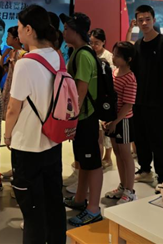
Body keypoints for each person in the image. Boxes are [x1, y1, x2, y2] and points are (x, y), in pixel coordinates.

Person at [4, 4, 66, 244]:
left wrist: (8, 135)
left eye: (19, 27)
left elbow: (13, 108)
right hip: (53, 139)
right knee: (54, 203)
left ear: (29, 29)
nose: (18, 31)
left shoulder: (25, 63)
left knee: (32, 211)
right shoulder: (56, 55)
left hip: (27, 145)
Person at [127, 6, 163, 194]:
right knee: (140, 137)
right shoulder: (138, 45)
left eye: (147, 19)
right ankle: (145, 169)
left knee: (158, 138)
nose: (144, 23)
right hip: (139, 99)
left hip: (158, 99)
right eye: (141, 20)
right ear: (137, 22)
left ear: (154, 20)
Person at [61, 12, 104, 226]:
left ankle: (93, 209)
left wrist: (71, 118)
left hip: (86, 117)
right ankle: (80, 199)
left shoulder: (83, 55)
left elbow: (81, 90)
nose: (63, 32)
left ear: (76, 31)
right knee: (84, 161)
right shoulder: (79, 52)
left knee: (92, 162)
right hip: (83, 116)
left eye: (67, 29)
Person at [104, 41, 137, 204]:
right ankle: (123, 185)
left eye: (117, 56)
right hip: (113, 121)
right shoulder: (114, 72)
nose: (114, 58)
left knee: (125, 155)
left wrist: (115, 121)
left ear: (128, 59)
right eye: (114, 54)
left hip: (123, 121)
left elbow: (128, 104)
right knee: (117, 153)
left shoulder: (130, 78)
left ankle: (130, 191)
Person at [89, 28, 115, 170]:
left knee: (106, 128)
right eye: (91, 42)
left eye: (97, 43)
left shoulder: (108, 56)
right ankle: (98, 157)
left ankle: (108, 157)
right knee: (97, 129)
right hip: (93, 96)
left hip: (105, 96)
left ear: (104, 42)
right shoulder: (89, 55)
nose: (94, 46)